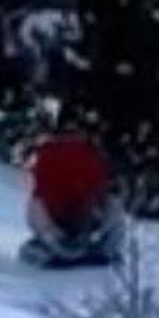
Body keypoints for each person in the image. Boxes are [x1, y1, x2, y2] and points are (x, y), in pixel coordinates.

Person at [20, 115, 125, 269]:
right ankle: (66, 247)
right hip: (66, 220)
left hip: (79, 219)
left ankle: (63, 247)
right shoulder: (54, 153)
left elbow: (102, 184)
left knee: (113, 205)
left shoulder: (87, 154)